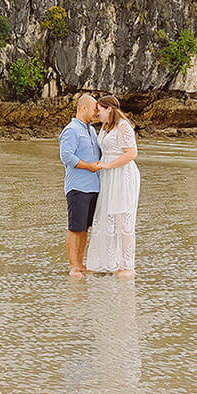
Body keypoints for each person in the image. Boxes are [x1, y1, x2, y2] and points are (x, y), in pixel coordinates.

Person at [84, 96, 141, 276]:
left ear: (109, 109)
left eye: (99, 110)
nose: (96, 114)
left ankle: (127, 266)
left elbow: (131, 153)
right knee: (107, 216)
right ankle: (109, 262)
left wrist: (108, 165)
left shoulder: (123, 126)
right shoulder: (105, 126)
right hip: (108, 176)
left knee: (122, 218)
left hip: (122, 175)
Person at [58, 92, 105, 277]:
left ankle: (81, 263)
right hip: (77, 187)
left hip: (94, 186)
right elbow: (66, 156)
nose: (96, 112)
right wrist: (88, 167)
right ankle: (73, 266)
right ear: (83, 108)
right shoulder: (71, 130)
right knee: (75, 227)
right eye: (94, 109)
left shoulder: (91, 130)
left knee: (85, 228)